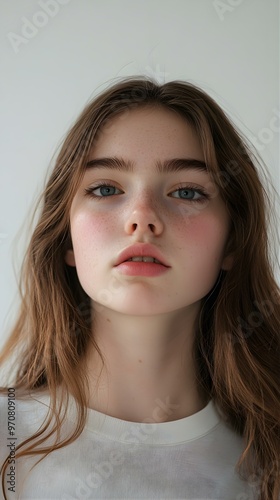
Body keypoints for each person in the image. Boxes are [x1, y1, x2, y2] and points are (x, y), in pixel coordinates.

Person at [0, 77, 279, 500]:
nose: (141, 218)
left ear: (233, 242)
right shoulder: (7, 440)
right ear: (66, 238)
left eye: (187, 191)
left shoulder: (268, 465)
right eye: (106, 188)